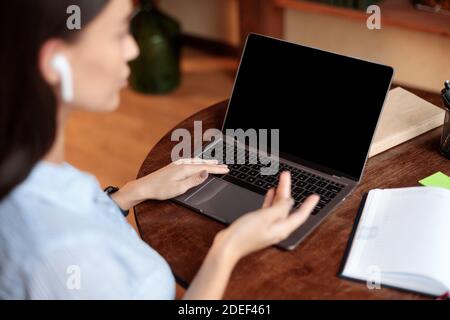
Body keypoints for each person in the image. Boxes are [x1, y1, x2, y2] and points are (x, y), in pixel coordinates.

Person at [0, 0, 319, 299]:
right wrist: (229, 247)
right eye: (120, 32)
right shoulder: (66, 253)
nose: (133, 49)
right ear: (55, 62)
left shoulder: (30, 165)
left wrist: (131, 193)